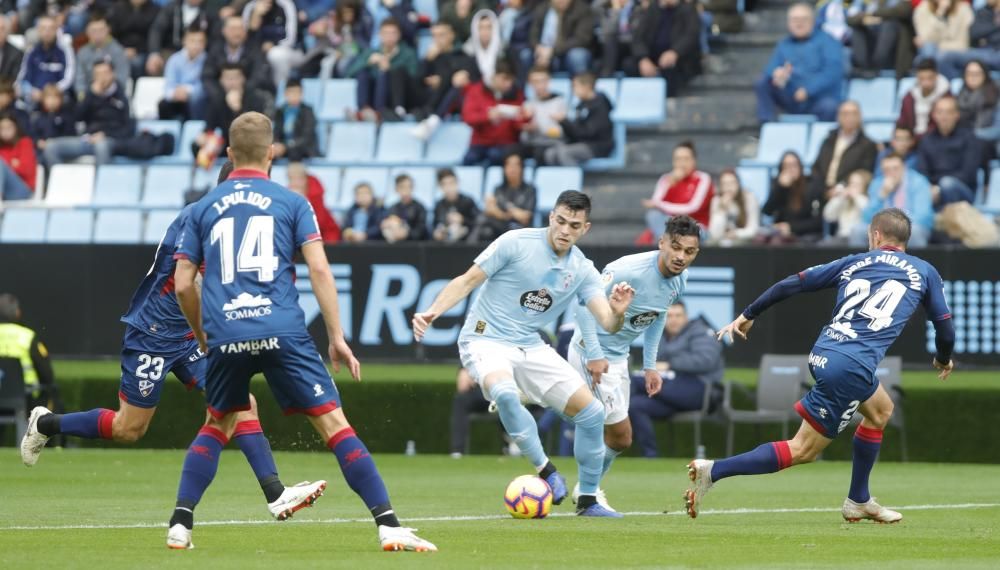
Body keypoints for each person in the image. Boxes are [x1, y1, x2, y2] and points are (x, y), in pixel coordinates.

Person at [165, 112, 436, 552]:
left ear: (229, 155)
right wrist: (336, 338)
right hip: (283, 330)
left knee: (218, 422)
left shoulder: (201, 208)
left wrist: (201, 335)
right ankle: (388, 525)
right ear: (272, 153)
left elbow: (182, 283)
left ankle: (181, 523)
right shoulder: (293, 202)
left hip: (226, 333)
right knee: (334, 425)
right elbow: (320, 270)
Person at [19, 161, 328, 527]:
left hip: (189, 334)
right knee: (129, 428)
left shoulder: (227, 220)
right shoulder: (199, 218)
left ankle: (275, 494)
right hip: (154, 332)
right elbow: (192, 285)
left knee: (242, 403)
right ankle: (47, 424)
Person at [691, 208, 955, 524]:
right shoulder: (924, 271)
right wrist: (942, 356)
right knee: (803, 450)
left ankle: (859, 498)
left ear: (875, 235)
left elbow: (793, 283)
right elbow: (944, 325)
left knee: (881, 410)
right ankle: (713, 471)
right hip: (851, 367)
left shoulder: (855, 261)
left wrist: (749, 314)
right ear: (905, 242)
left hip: (825, 352)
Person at [412, 190, 636, 518]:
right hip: (484, 339)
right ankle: (546, 471)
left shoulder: (583, 269)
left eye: (574, 225)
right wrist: (433, 310)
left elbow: (607, 321)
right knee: (503, 392)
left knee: (592, 414)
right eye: (560, 221)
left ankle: (588, 500)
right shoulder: (515, 242)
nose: (564, 230)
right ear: (551, 217)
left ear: (585, 229)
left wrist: (617, 312)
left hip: (530, 345)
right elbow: (467, 281)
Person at [567, 216, 701, 509]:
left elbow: (657, 315)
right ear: (661, 243)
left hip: (618, 358)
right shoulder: (627, 270)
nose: (680, 257)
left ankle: (587, 490)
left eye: (689, 252)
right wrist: (594, 354)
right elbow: (584, 310)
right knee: (614, 431)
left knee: (618, 438)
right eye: (675, 248)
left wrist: (651, 365)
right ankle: (588, 495)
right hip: (590, 352)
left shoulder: (681, 279)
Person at [628, 301, 722, 459]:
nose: (674, 320)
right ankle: (650, 457)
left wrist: (670, 364)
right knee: (635, 405)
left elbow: (707, 360)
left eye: (678, 315)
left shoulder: (701, 331)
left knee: (635, 380)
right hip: (671, 394)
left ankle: (602, 427)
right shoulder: (660, 336)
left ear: (686, 317)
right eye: (669, 316)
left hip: (699, 389)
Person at [753, 3, 843, 123]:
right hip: (792, 96)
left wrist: (808, 90)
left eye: (804, 19)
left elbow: (832, 72)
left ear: (813, 21)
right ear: (788, 23)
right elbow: (771, 69)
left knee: (829, 106)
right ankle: (766, 125)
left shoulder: (828, 42)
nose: (799, 24)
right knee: (763, 82)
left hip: (819, 99)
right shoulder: (784, 44)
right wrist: (777, 75)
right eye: (794, 20)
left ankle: (824, 138)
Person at [43, 60, 132, 166]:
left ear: (113, 74)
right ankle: (62, 181)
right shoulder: (90, 93)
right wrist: (90, 95)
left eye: (105, 73)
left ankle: (102, 182)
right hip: (88, 138)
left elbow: (128, 128)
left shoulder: (121, 97)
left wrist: (106, 135)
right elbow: (77, 117)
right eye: (98, 74)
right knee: (51, 147)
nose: (102, 77)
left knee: (101, 146)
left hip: (110, 140)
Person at [409, 21, 477, 141]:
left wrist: (443, 79)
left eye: (441, 35)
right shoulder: (430, 58)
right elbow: (416, 83)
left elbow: (467, 79)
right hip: (428, 99)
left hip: (451, 100)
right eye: (434, 36)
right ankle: (429, 116)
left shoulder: (462, 56)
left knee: (453, 79)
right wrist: (427, 61)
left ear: (451, 35)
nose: (437, 39)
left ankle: (432, 118)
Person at [852, 153, 934, 247]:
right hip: (883, 227)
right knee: (857, 230)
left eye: (895, 168)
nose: (891, 173)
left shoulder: (918, 182)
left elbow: (923, 217)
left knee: (915, 231)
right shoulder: (877, 184)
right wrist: (881, 195)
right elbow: (866, 217)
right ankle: (862, 261)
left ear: (904, 167)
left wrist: (897, 225)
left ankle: (915, 262)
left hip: (909, 226)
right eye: (886, 170)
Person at [346, 18, 419, 121]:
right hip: (372, 94)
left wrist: (389, 69)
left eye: (393, 33)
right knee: (363, 73)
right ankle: (363, 110)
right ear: (379, 35)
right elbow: (349, 73)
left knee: (384, 73)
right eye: (386, 33)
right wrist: (368, 62)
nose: (389, 37)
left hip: (395, 97)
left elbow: (414, 77)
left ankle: (378, 112)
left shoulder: (408, 53)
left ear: (399, 35)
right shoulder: (371, 52)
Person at [808, 101, 878, 204]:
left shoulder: (867, 145)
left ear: (860, 117)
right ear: (838, 117)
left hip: (848, 195)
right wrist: (823, 190)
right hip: (823, 192)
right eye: (845, 113)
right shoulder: (828, 140)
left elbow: (864, 172)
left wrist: (840, 188)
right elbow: (817, 168)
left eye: (854, 113)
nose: (849, 117)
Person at [916, 96, 980, 205]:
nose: (944, 117)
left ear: (957, 115)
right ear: (934, 115)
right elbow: (923, 172)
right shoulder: (926, 140)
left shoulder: (969, 138)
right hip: (934, 190)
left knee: (947, 184)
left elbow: (968, 174)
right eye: (940, 112)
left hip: (962, 191)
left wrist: (939, 186)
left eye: (949, 112)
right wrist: (932, 187)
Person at [541, 71, 614, 167]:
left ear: (587, 86)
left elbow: (589, 133)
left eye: (575, 86)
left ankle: (571, 180)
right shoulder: (581, 105)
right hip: (581, 143)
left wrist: (564, 121)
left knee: (565, 152)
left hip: (597, 146)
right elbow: (575, 133)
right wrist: (563, 122)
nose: (573, 89)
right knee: (550, 153)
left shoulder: (601, 105)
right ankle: (557, 180)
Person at [629, 0, 702, 94]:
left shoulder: (687, 9)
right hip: (651, 57)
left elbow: (691, 36)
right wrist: (643, 58)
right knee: (629, 65)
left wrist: (675, 52)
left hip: (678, 59)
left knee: (671, 71)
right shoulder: (653, 9)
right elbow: (638, 37)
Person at [461, 60, 526, 167]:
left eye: (511, 79)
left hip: (507, 143)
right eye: (504, 79)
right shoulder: (476, 91)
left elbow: (520, 122)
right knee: (469, 160)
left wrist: (524, 118)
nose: (508, 83)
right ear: (493, 76)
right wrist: (487, 116)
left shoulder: (517, 93)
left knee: (496, 156)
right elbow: (468, 117)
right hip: (480, 143)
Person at [642, 141, 714, 235]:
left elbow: (693, 207)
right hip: (670, 226)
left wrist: (660, 205)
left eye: (686, 159)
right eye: (678, 159)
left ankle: (668, 245)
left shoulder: (703, 178)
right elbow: (656, 203)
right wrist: (670, 184)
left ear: (694, 161)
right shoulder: (666, 179)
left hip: (695, 226)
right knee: (653, 215)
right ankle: (669, 244)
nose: (682, 163)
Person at [201, 16, 272, 107]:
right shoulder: (215, 49)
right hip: (220, 92)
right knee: (201, 96)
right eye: (233, 29)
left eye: (240, 28)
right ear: (224, 31)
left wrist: (241, 91)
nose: (237, 33)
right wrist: (221, 94)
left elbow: (259, 75)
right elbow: (208, 76)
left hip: (247, 92)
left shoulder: (255, 49)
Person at [470, 151, 536, 241]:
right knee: (486, 230)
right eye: (509, 165)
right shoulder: (498, 189)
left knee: (484, 220)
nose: (512, 169)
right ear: (504, 169)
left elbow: (526, 217)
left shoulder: (530, 189)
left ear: (521, 168)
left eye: (516, 165)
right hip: (501, 226)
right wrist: (510, 213)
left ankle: (469, 249)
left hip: (520, 229)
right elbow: (493, 211)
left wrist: (505, 211)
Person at [301, 0, 374, 80]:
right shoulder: (333, 22)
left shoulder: (358, 26)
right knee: (326, 63)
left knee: (341, 65)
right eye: (345, 12)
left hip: (352, 56)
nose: (348, 15)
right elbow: (313, 29)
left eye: (350, 12)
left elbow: (360, 46)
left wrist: (344, 51)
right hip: (333, 53)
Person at [761, 151, 823, 242]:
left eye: (794, 165)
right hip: (781, 235)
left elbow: (817, 222)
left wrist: (791, 227)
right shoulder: (778, 185)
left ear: (800, 166)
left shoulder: (812, 185)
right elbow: (767, 211)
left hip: (805, 234)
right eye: (786, 166)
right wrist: (780, 188)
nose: (791, 169)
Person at [521, 0, 594, 78]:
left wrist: (552, 50)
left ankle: (581, 87)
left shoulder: (582, 9)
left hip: (566, 51)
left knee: (577, 56)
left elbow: (581, 39)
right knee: (525, 55)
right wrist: (538, 48)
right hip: (543, 51)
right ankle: (527, 87)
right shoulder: (542, 9)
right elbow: (533, 34)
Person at [146, 0, 217, 76]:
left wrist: (201, 49)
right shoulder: (172, 7)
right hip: (171, 51)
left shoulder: (210, 10)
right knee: (155, 64)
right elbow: (157, 30)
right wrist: (154, 53)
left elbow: (215, 37)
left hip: (200, 53)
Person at [16, 16, 74, 107]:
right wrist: (31, 91)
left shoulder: (65, 51)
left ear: (56, 30)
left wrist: (51, 92)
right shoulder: (31, 51)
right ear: (38, 31)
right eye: (43, 28)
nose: (47, 32)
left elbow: (69, 78)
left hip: (57, 97)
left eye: (51, 28)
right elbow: (23, 77)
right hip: (34, 97)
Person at [847, 0, 914, 78]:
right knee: (857, 28)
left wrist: (874, 14)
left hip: (891, 52)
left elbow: (904, 11)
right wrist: (864, 19)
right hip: (871, 45)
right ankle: (863, 67)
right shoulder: (863, 3)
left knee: (889, 25)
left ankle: (877, 64)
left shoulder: (896, 2)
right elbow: (850, 19)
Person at [244, 0, 303, 86]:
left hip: (289, 51)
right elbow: (244, 37)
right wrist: (256, 15)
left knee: (276, 55)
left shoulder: (286, 4)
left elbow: (291, 38)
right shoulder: (250, 6)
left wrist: (274, 44)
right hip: (257, 51)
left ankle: (280, 91)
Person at [937, 0, 1000, 80]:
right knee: (946, 57)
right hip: (984, 51)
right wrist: (996, 26)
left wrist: (988, 34)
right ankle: (960, 86)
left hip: (997, 53)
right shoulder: (984, 11)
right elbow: (974, 32)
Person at [519, 65, 568, 163]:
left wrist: (539, 129)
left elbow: (562, 133)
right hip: (531, 144)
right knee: (510, 153)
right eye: (535, 81)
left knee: (542, 153)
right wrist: (529, 130)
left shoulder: (560, 102)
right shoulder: (527, 104)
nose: (539, 85)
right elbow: (523, 137)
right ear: (530, 83)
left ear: (548, 81)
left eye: (542, 81)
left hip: (553, 144)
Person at [74, 15, 130, 100]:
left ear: (108, 30)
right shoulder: (83, 52)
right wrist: (83, 95)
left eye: (101, 30)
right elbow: (79, 78)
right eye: (94, 31)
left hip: (113, 95)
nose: (97, 34)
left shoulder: (118, 50)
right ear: (87, 32)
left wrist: (107, 89)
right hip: (89, 96)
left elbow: (122, 77)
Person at [158, 27, 208, 121]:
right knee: (163, 104)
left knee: (196, 101)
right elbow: (168, 85)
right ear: (184, 41)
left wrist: (187, 91)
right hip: (176, 97)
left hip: (196, 98)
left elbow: (205, 85)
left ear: (204, 44)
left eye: (200, 42)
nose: (196, 45)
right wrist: (174, 94)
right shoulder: (174, 59)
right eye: (192, 41)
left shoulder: (207, 60)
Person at [287, 162, 341, 244]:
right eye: (291, 179)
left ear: (305, 179)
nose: (295, 183)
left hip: (320, 241)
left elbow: (319, 223)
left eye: (298, 179)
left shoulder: (316, 198)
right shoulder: (285, 195)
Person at [896, 58, 951, 138]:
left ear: (936, 76)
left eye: (929, 78)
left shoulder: (946, 97)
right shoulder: (909, 98)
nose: (925, 83)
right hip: (912, 141)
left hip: (937, 140)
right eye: (922, 79)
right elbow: (903, 122)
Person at [108, 0, 161, 79]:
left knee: (137, 63)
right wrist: (121, 50)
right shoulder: (118, 8)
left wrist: (150, 52)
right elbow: (112, 34)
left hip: (145, 50)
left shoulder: (155, 9)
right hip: (121, 49)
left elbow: (155, 35)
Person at [708, 169, 760, 245]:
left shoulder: (749, 198)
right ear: (720, 186)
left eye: (732, 183)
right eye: (725, 184)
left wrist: (736, 233)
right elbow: (714, 234)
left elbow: (753, 229)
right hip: (722, 243)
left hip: (744, 241)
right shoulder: (716, 200)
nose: (729, 187)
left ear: (738, 183)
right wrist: (722, 209)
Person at [912, 0, 973, 65]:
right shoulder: (922, 9)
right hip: (931, 51)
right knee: (928, 49)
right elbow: (926, 39)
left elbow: (963, 44)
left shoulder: (963, 9)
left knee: (940, 56)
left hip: (954, 52)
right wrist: (940, 13)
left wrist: (940, 47)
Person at [956, 60, 1000, 147]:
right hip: (964, 140)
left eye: (977, 74)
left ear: (985, 75)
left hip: (989, 140)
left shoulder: (995, 92)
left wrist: (973, 135)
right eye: (969, 73)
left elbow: (998, 129)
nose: (973, 77)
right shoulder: (961, 94)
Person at [272, 79, 319, 161]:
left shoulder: (308, 111)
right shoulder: (280, 111)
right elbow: (276, 132)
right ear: (286, 94)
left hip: (302, 150)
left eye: (297, 93)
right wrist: (277, 145)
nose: (294, 95)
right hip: (284, 149)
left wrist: (286, 146)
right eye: (291, 92)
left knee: (295, 152)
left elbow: (306, 137)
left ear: (301, 94)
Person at [432, 168, 479, 243]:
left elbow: (479, 222)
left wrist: (463, 220)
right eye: (445, 184)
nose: (449, 188)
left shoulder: (468, 201)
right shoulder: (439, 205)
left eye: (452, 183)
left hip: (468, 244)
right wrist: (438, 233)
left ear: (457, 183)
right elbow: (435, 226)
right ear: (440, 186)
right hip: (445, 245)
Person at [823, 169, 871, 242]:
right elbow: (828, 216)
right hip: (841, 237)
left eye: (857, 184)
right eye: (851, 183)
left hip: (859, 239)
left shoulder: (866, 200)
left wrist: (856, 196)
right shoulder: (844, 200)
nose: (852, 187)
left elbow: (867, 212)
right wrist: (840, 198)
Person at [381, 173, 429, 242]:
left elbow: (421, 230)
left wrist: (406, 234)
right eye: (402, 187)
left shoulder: (420, 208)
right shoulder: (392, 208)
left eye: (409, 187)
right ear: (396, 189)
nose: (406, 191)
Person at [0, 114, 36, 200]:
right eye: (1, 128)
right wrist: (12, 164)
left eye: (9, 127)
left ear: (16, 128)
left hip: (23, 191)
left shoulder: (25, 143)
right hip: (4, 191)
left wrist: (5, 166)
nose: (5, 131)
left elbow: (27, 171)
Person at [0, 15, 24, 82]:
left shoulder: (16, 53)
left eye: (2, 29)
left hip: (5, 89)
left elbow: (14, 78)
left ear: (8, 31)